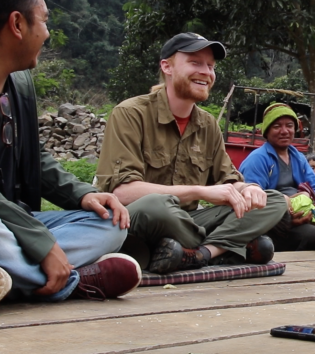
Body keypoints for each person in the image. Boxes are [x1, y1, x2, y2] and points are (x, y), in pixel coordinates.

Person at [0, 0, 141, 316]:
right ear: (17, 24)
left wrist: (84, 195)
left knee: (109, 222)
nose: (48, 32)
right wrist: (40, 244)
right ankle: (70, 281)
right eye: (45, 19)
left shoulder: (16, 82)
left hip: (8, 224)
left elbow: (34, 159)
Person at [94, 33, 286, 274]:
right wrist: (199, 191)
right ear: (167, 67)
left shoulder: (208, 125)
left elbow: (229, 181)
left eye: (211, 66)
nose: (206, 72)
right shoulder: (130, 114)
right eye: (195, 62)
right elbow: (122, 193)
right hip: (140, 219)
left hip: (187, 223)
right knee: (157, 205)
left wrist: (249, 190)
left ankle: (199, 254)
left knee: (274, 200)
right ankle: (229, 247)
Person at [240, 103, 315, 251]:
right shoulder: (257, 159)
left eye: (289, 125)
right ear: (267, 131)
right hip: (273, 225)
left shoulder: (298, 158)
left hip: (303, 215)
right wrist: (287, 219)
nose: (284, 131)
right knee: (310, 234)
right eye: (277, 126)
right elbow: (253, 205)